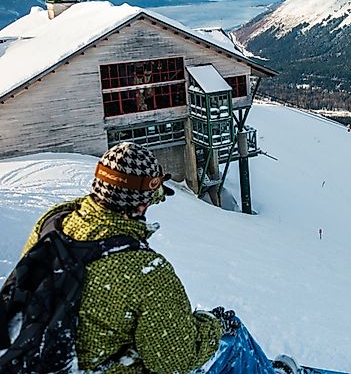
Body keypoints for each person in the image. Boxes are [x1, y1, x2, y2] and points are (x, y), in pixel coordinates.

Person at [16, 142, 230, 374]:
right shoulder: (146, 272)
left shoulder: (53, 223)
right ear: (142, 204)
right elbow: (174, 362)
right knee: (232, 344)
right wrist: (213, 325)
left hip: (35, 361)